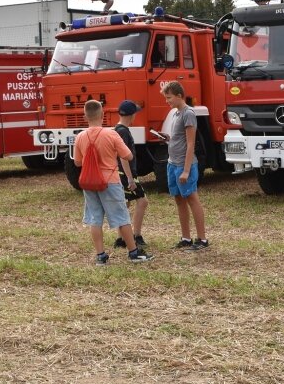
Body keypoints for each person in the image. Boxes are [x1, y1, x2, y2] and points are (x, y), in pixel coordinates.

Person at [74, 99, 152, 265]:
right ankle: (133, 253)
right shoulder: (111, 134)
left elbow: (77, 163)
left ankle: (101, 256)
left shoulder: (80, 136)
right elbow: (128, 156)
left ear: (85, 116)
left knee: (95, 219)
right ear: (102, 114)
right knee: (121, 217)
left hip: (89, 182)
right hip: (110, 180)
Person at [162, 82, 209, 251]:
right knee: (179, 200)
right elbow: (179, 138)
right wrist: (168, 139)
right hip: (172, 163)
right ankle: (186, 237)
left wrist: (187, 170)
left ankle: (202, 239)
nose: (167, 101)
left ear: (179, 95)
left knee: (192, 199)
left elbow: (190, 144)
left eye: (169, 98)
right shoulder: (175, 113)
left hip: (183, 165)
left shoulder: (188, 113)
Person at [112, 100, 150, 250]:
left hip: (119, 172)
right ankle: (136, 235)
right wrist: (129, 178)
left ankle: (121, 238)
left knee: (125, 204)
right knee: (142, 201)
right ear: (131, 115)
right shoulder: (123, 131)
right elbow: (123, 156)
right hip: (125, 173)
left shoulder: (117, 129)